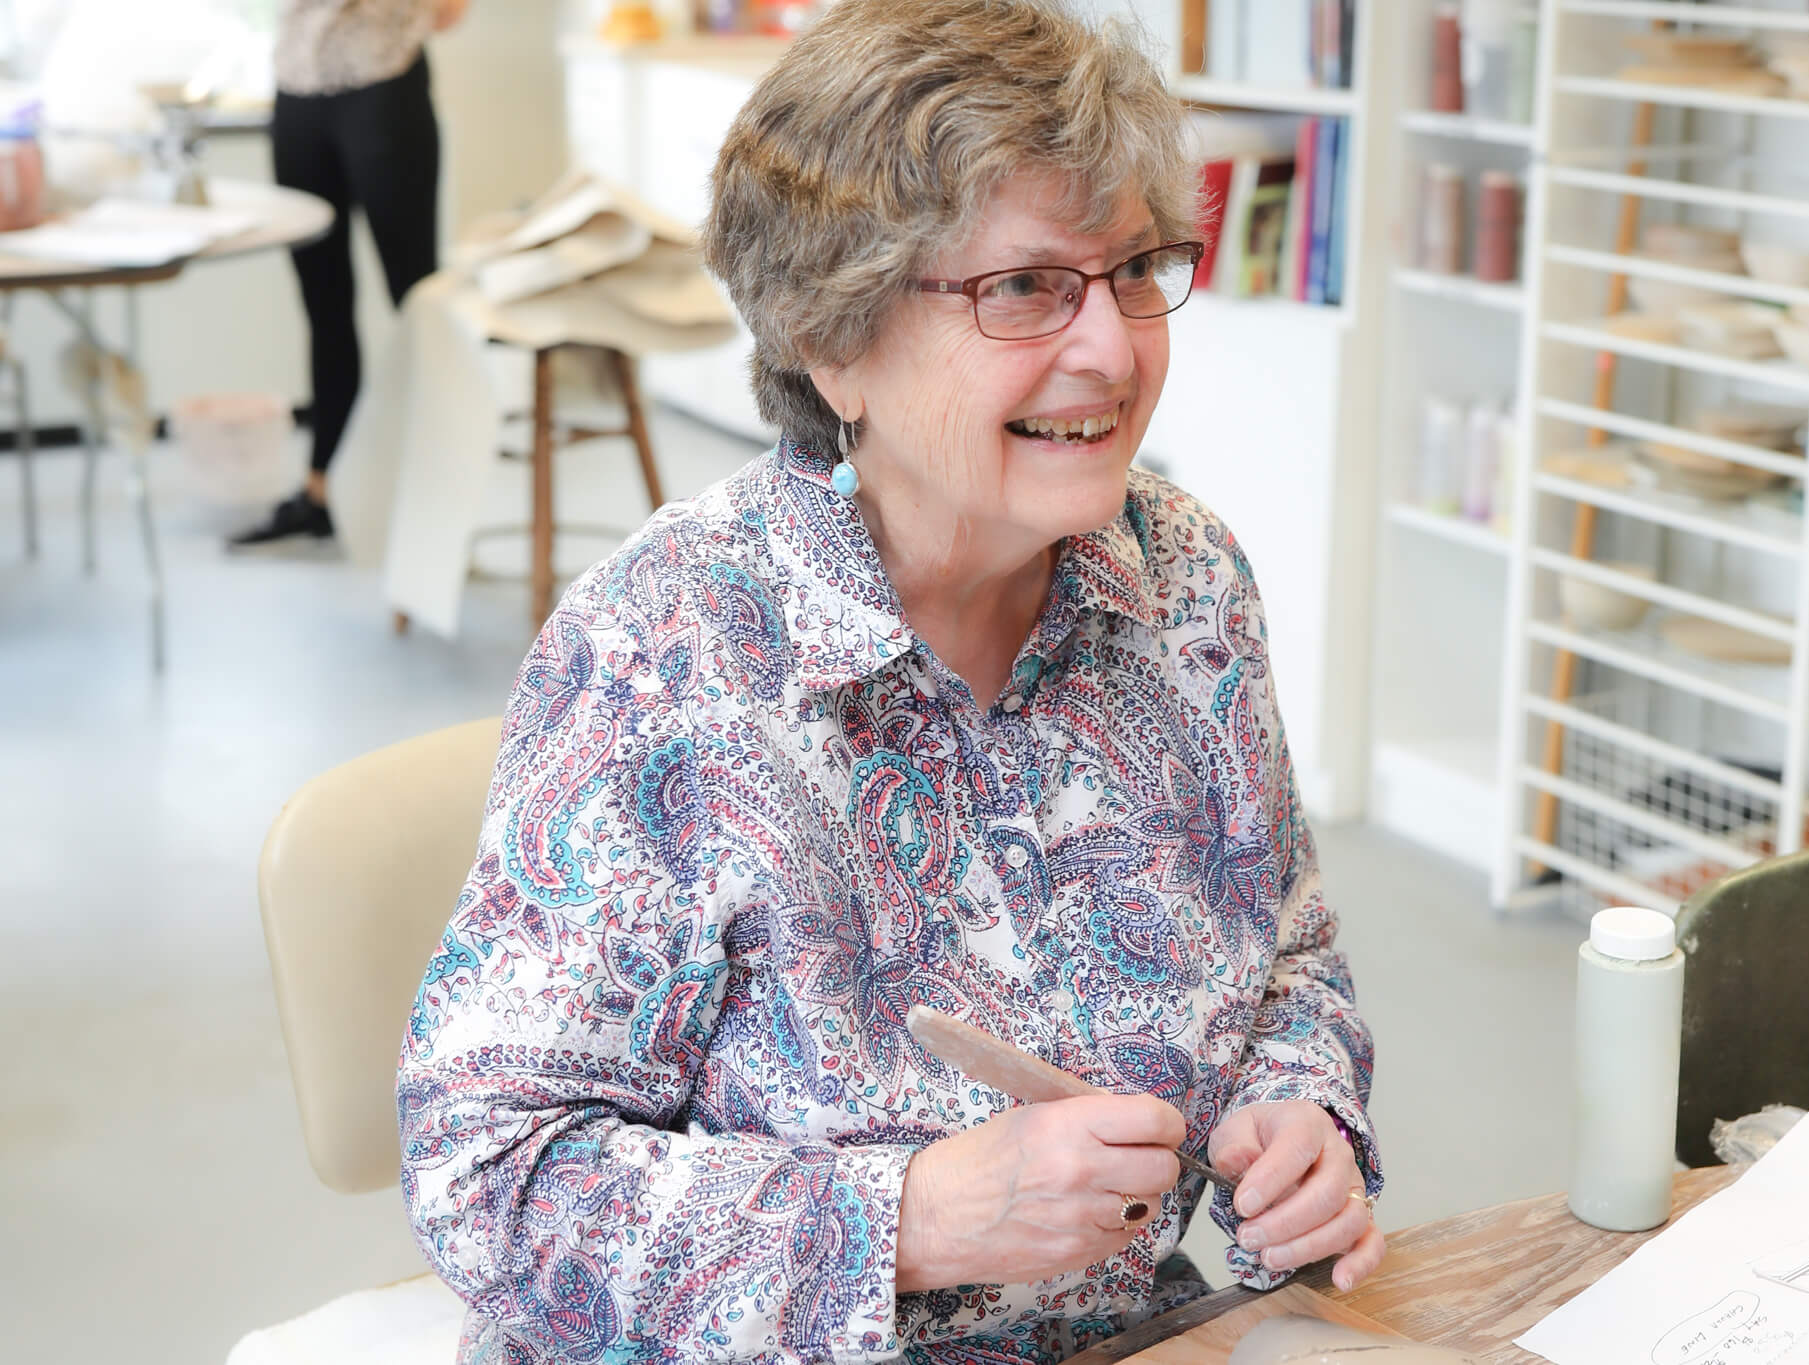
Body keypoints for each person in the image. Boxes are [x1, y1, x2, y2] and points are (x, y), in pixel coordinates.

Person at [396, 2, 1384, 1360]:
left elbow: (1289, 962)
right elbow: (489, 1176)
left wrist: (1299, 1115)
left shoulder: (1191, 587)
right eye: (1025, 287)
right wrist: (913, 1215)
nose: (1114, 347)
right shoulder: (664, 652)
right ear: (832, 337)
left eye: (1137, 268)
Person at [229, 0, 467, 547]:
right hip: (297, 90)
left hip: (382, 81)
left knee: (416, 303)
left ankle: (433, 505)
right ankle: (321, 494)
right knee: (324, 307)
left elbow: (451, 11)